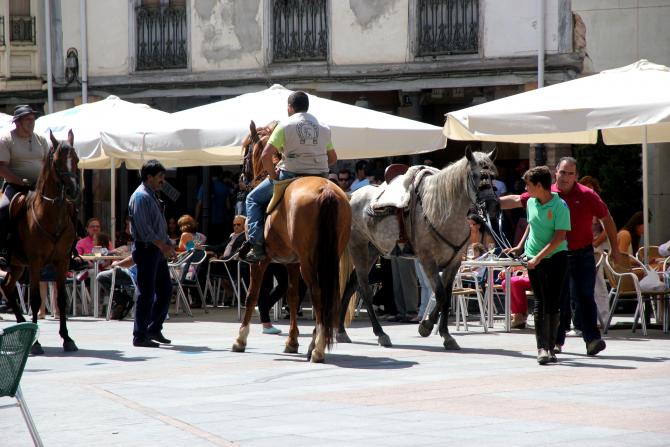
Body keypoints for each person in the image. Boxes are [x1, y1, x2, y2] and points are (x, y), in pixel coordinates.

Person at [501, 157, 620, 356]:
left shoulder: (587, 195)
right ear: (556, 172)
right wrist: (489, 202)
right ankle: (556, 341)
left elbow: (606, 219)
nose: (565, 177)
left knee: (585, 295)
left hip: (582, 252)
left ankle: (592, 339)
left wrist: (615, 249)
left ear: (576, 176)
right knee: (558, 299)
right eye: (562, 172)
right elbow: (518, 203)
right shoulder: (545, 192)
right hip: (556, 254)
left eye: (570, 173)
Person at [241, 91, 338, 262]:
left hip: (290, 174)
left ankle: (257, 246)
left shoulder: (285, 126)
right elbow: (333, 159)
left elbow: (265, 155)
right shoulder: (324, 127)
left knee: (252, 199)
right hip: (321, 174)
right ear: (307, 107)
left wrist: (273, 176)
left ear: (289, 107)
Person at [508, 166, 570, 364]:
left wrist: (539, 258)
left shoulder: (560, 206)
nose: (525, 188)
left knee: (553, 302)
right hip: (534, 257)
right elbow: (531, 225)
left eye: (528, 185)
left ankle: (551, 348)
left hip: (556, 257)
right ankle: (541, 348)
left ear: (539, 185)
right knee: (540, 302)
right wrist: (520, 246)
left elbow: (559, 237)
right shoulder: (531, 202)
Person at [128, 159, 176, 348]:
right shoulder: (141, 196)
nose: (163, 180)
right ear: (149, 177)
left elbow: (158, 227)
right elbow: (144, 230)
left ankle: (154, 328)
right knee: (146, 293)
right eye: (160, 177)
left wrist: (167, 245)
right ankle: (139, 335)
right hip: (147, 249)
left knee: (165, 290)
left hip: (157, 250)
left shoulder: (152, 195)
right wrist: (163, 246)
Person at [0, 105, 50, 266]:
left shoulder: (41, 139)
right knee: (2, 209)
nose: (32, 122)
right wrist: (19, 181)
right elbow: (2, 167)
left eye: (33, 119)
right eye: (28, 119)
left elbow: (47, 164)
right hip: (15, 187)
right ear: (17, 122)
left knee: (67, 206)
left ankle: (71, 252)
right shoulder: (6, 139)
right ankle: (2, 250)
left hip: (40, 187)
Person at [195, 167, 232, 245]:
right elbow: (228, 206)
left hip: (206, 222)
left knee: (205, 242)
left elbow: (199, 204)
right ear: (220, 175)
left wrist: (196, 219)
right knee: (218, 243)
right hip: (221, 221)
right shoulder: (224, 187)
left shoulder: (204, 186)